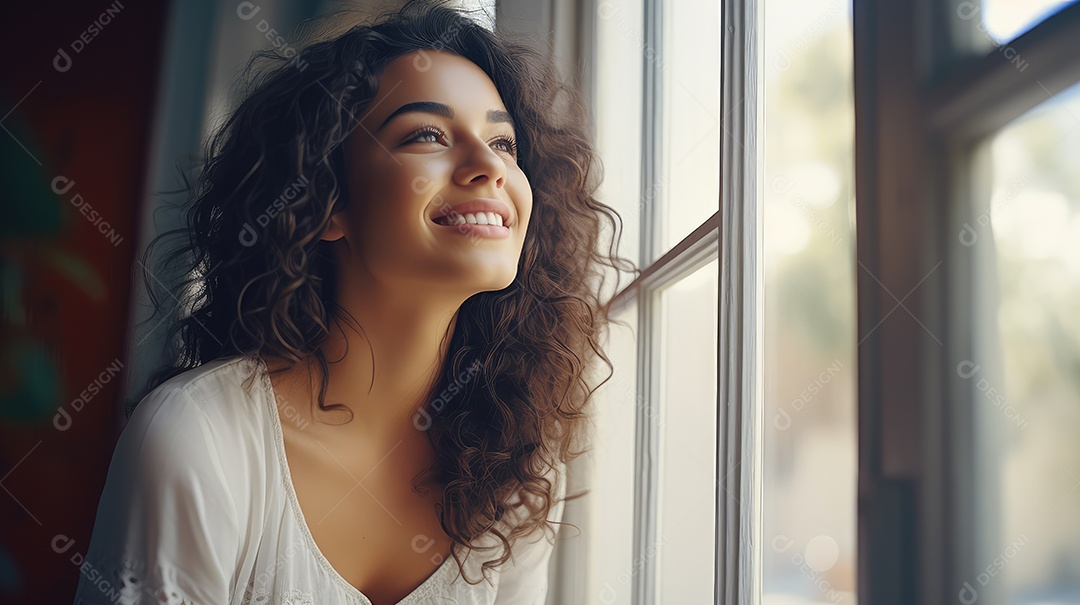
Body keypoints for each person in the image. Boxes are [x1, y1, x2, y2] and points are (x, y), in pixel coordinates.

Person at [73, 0, 635, 603]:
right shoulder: (196, 438)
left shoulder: (513, 462)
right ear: (327, 201)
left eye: (504, 142)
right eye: (428, 135)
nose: (487, 167)